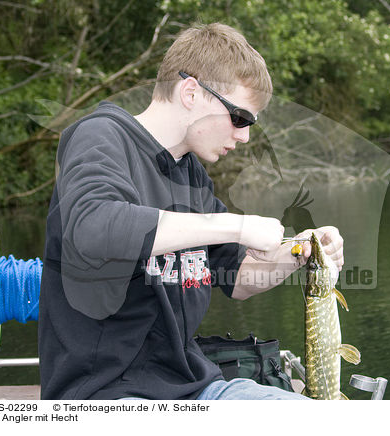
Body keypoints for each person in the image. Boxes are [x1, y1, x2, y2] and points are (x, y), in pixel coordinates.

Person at [38, 22, 344, 400]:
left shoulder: (192, 176)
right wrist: (237, 225)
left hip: (194, 386)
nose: (245, 135)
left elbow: (240, 278)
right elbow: (93, 228)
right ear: (191, 92)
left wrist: (302, 253)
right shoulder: (100, 136)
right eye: (240, 117)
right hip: (104, 396)